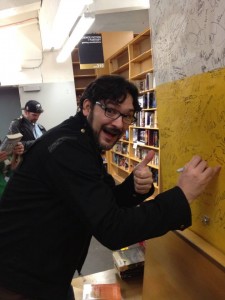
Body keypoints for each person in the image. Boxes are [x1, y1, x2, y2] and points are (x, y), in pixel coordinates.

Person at [0, 75, 220, 300]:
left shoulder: (80, 141)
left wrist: (134, 187)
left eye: (127, 116)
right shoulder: (67, 149)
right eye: (110, 110)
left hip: (46, 271)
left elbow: (101, 200)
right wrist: (183, 195)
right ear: (87, 107)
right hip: (22, 283)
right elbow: (113, 229)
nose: (118, 123)